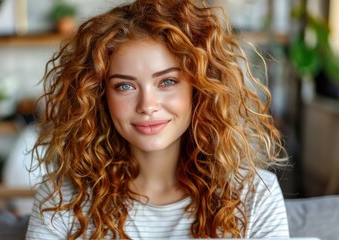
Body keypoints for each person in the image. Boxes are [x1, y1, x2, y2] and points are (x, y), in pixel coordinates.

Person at [26, 0, 290, 239]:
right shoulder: (60, 199)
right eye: (125, 86)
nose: (147, 106)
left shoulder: (254, 194)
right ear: (100, 96)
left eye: (167, 81)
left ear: (199, 87)